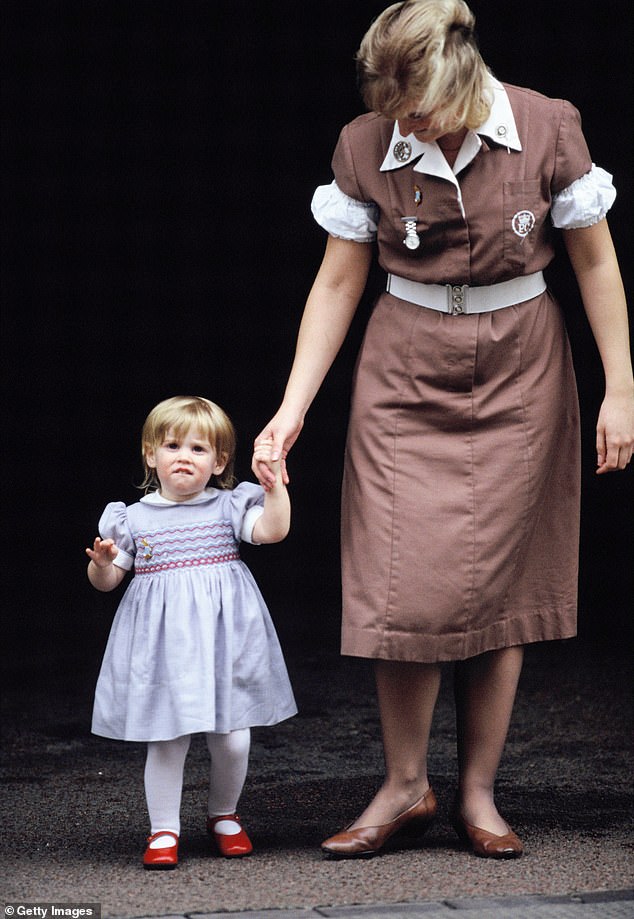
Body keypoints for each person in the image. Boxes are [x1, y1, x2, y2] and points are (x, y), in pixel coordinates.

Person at [253, 0, 634, 860]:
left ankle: (479, 795)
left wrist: (623, 387)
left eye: (420, 107)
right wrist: (292, 406)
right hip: (405, 368)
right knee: (403, 583)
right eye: (394, 107)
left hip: (522, 366)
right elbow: (338, 285)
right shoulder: (364, 143)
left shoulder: (547, 124)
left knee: (502, 587)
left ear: (464, 74)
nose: (406, 122)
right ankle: (403, 785)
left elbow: (597, 259)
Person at [87, 395, 297, 869]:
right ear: (150, 455)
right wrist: (102, 565)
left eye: (199, 449)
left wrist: (274, 489)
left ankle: (223, 814)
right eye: (173, 445)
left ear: (219, 461)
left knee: (233, 737)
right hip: (163, 647)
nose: (184, 456)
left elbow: (273, 531)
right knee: (166, 737)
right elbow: (108, 582)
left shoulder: (229, 505)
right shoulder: (132, 518)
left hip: (225, 642)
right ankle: (163, 829)